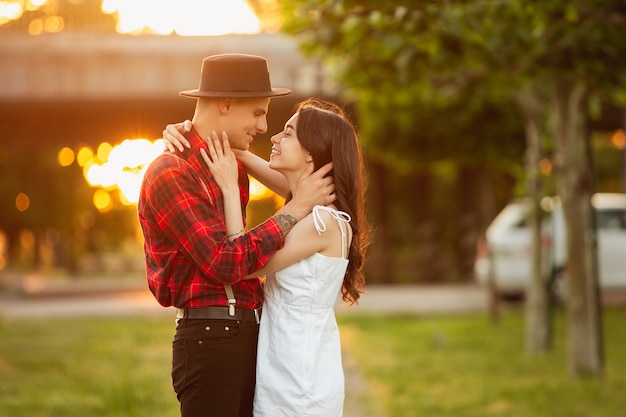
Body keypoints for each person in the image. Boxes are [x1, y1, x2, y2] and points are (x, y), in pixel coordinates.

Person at [137, 54, 336, 417]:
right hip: (211, 338)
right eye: (258, 113)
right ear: (226, 104)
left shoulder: (230, 164)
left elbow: (289, 200)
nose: (263, 127)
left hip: (248, 334)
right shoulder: (170, 172)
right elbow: (225, 261)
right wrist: (292, 211)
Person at [163, 98, 369, 416]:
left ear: (311, 153)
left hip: (298, 376)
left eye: (287, 133)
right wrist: (192, 133)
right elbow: (248, 159)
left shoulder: (320, 222)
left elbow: (244, 266)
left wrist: (231, 190)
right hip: (288, 361)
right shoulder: (312, 209)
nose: (272, 137)